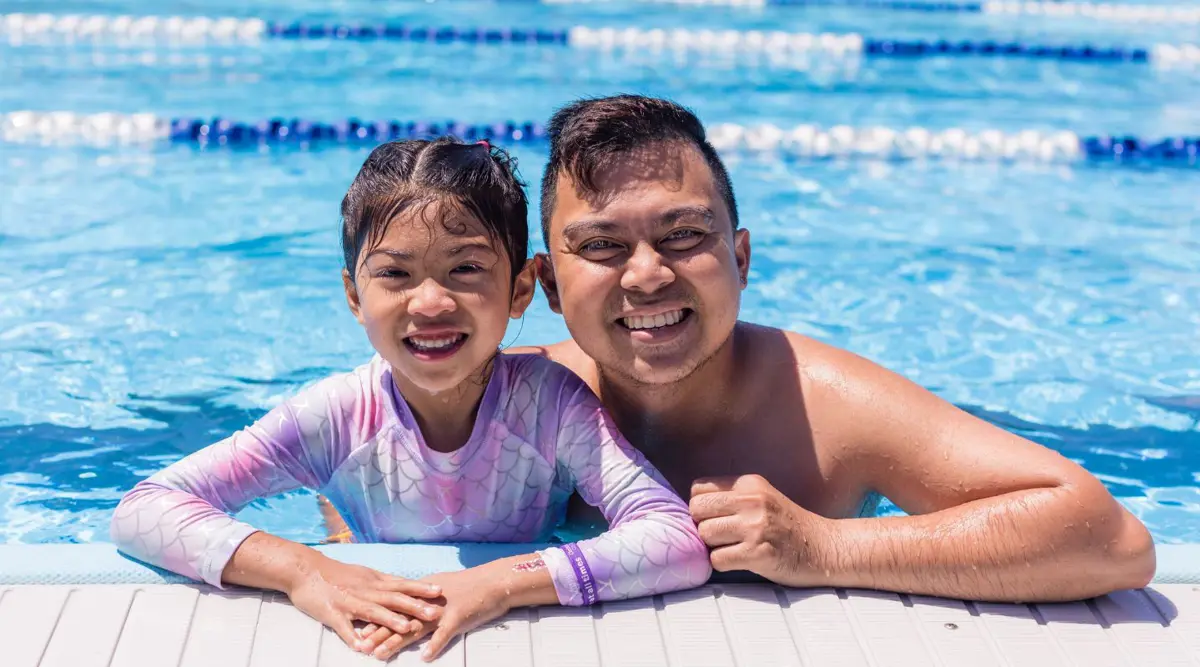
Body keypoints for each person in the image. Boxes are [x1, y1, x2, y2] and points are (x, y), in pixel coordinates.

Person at [514, 94, 1156, 602]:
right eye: (601, 245)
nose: (647, 275)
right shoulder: (512, 401)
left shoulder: (829, 408)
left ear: (740, 258)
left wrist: (825, 548)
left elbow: (1114, 539)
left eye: (683, 235)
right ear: (547, 283)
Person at [110, 137, 711, 663]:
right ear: (354, 294)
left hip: (491, 567)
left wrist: (501, 583)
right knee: (343, 523)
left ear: (521, 287)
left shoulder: (551, 407)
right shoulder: (337, 416)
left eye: (466, 268)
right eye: (394, 275)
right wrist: (304, 572)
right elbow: (145, 509)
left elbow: (675, 541)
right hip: (367, 520)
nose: (429, 304)